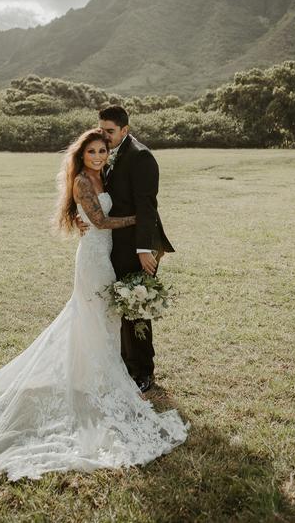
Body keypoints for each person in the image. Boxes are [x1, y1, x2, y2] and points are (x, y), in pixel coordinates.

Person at [0, 129, 188, 482]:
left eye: (103, 150)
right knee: (91, 315)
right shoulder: (83, 183)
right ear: (81, 156)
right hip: (92, 260)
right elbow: (99, 222)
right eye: (92, 152)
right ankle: (97, 382)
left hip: (105, 256)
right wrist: (137, 221)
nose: (99, 156)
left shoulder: (104, 176)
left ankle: (94, 377)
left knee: (105, 318)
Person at [77, 107, 174, 394]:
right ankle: (124, 365)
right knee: (120, 307)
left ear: (125, 130)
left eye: (109, 131)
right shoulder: (105, 157)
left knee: (137, 308)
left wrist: (145, 249)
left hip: (137, 246)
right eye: (101, 129)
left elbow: (147, 205)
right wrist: (79, 219)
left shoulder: (141, 156)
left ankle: (144, 371)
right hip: (112, 245)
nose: (104, 137)